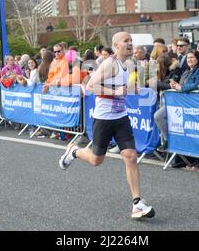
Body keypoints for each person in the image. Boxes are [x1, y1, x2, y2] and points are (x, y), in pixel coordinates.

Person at [58, 31, 155, 220]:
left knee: (131, 156)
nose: (130, 44)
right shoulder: (109, 63)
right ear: (116, 45)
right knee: (96, 160)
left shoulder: (131, 65)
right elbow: (91, 86)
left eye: (131, 41)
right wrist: (115, 91)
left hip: (121, 117)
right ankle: (74, 151)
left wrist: (140, 88)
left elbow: (129, 88)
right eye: (126, 41)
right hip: (103, 118)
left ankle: (137, 203)